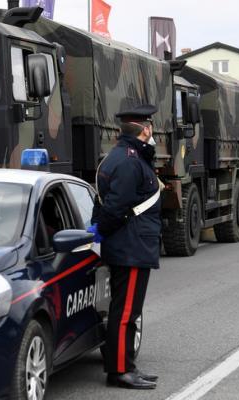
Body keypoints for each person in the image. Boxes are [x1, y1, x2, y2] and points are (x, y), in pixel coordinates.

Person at [89, 104, 162, 390]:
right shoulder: (130, 162)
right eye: (150, 126)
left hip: (132, 244)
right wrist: (101, 231)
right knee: (125, 312)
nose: (152, 131)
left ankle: (127, 364)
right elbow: (118, 207)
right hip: (130, 246)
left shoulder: (124, 156)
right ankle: (119, 370)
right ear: (145, 129)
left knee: (128, 311)